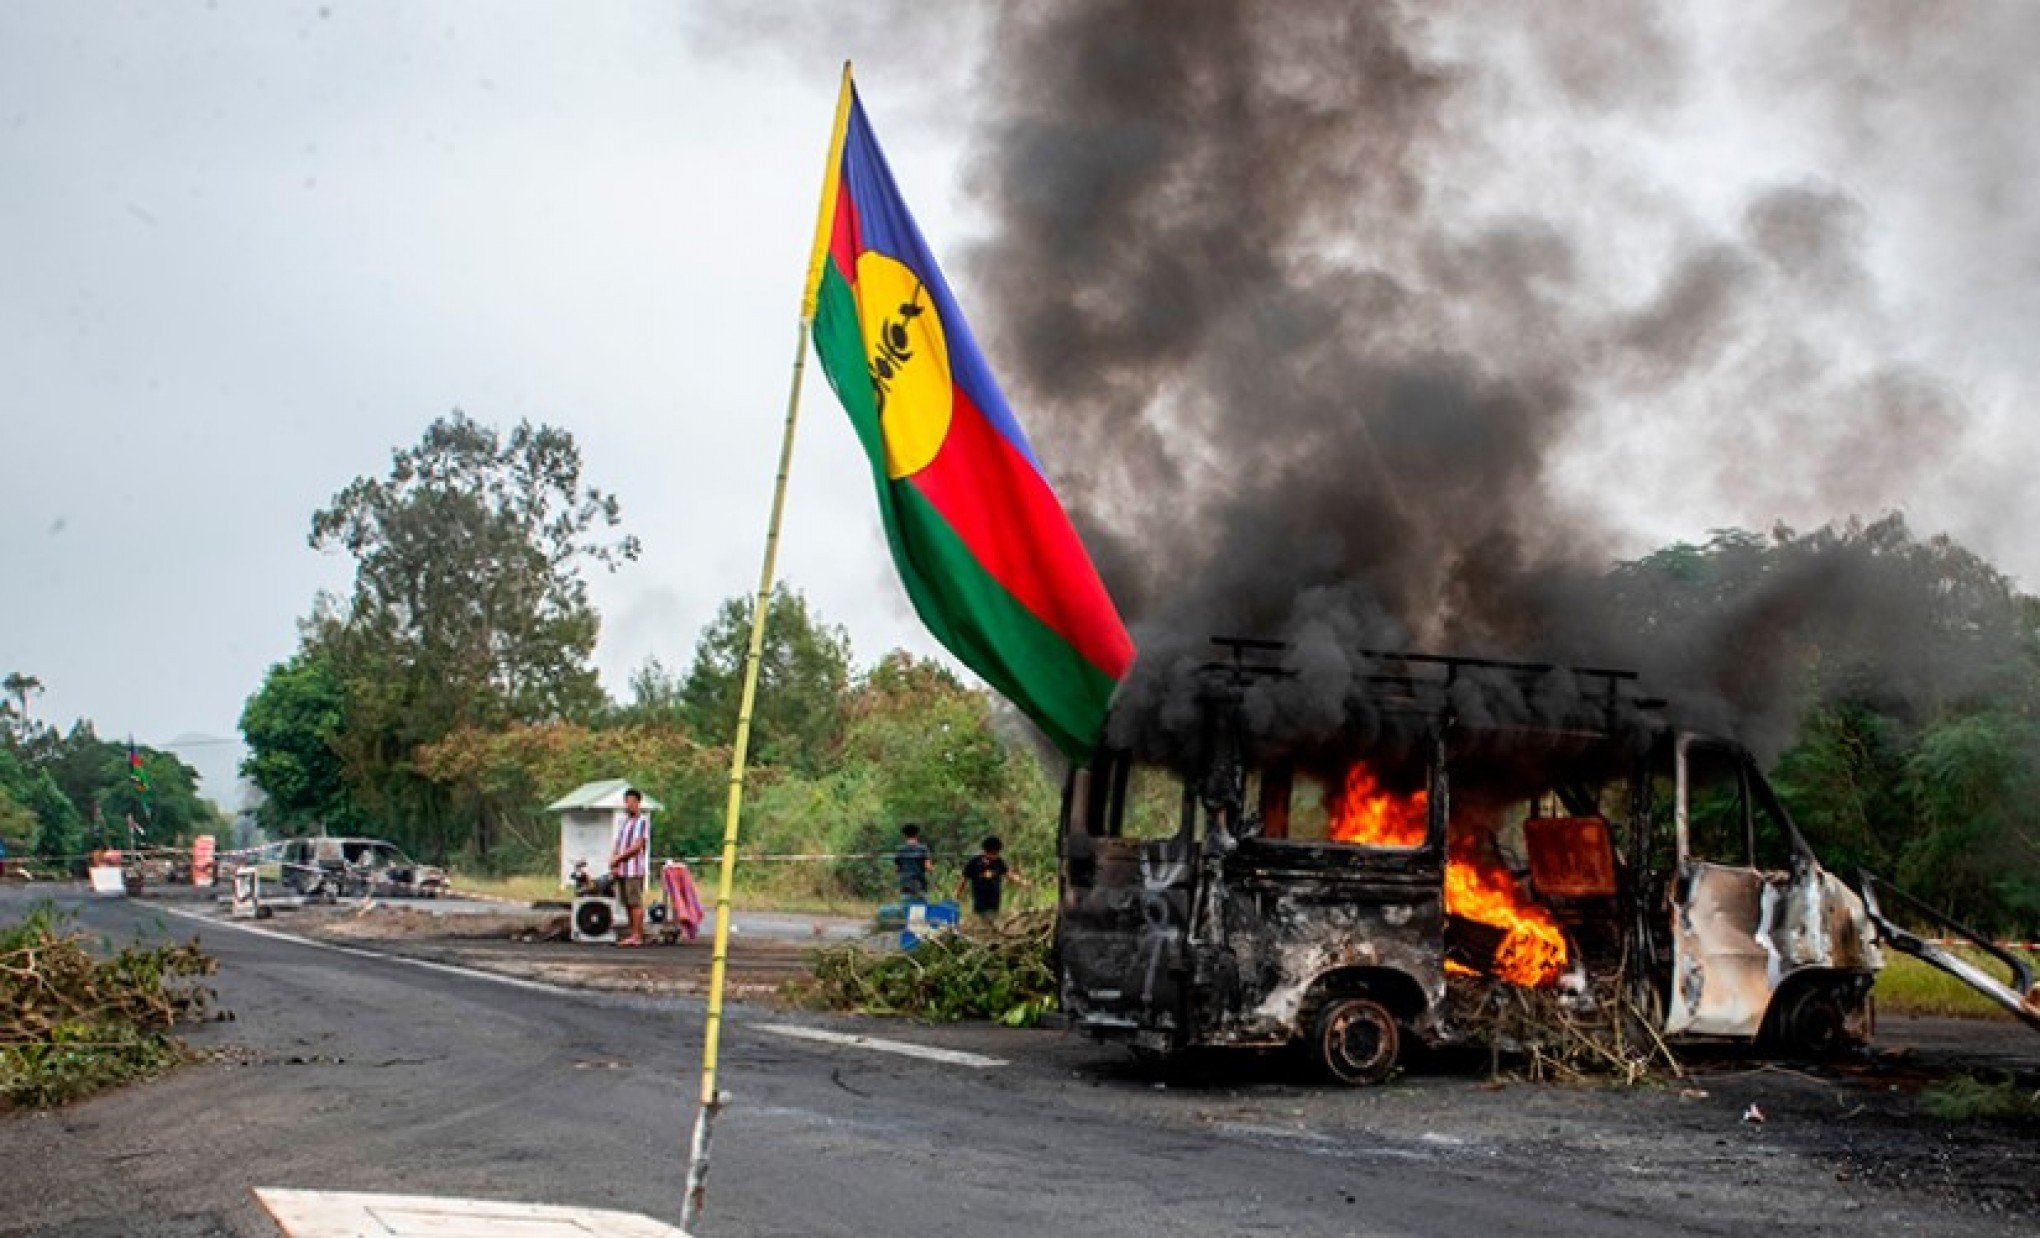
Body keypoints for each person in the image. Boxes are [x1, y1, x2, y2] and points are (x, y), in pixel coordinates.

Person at [609, 787, 651, 947]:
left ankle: (638, 935)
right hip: (622, 869)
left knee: (635, 902)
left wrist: (619, 858)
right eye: (627, 802)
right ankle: (632, 933)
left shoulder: (642, 822)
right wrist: (613, 860)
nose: (629, 805)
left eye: (632, 802)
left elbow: (637, 846)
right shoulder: (624, 822)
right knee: (627, 902)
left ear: (638, 803)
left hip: (634, 869)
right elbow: (618, 843)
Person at [956, 835, 1026, 921]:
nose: (997, 855)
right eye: (995, 853)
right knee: (981, 921)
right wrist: (957, 896)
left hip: (994, 900)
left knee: (993, 920)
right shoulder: (973, 862)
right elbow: (963, 880)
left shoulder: (998, 861)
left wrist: (1022, 882)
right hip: (980, 901)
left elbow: (1009, 874)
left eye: (997, 853)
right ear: (986, 852)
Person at [894, 823, 932, 902]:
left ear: (905, 835)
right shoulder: (923, 849)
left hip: (905, 884)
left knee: (906, 909)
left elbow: (897, 868)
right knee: (921, 909)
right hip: (920, 884)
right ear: (917, 835)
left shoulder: (900, 850)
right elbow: (928, 867)